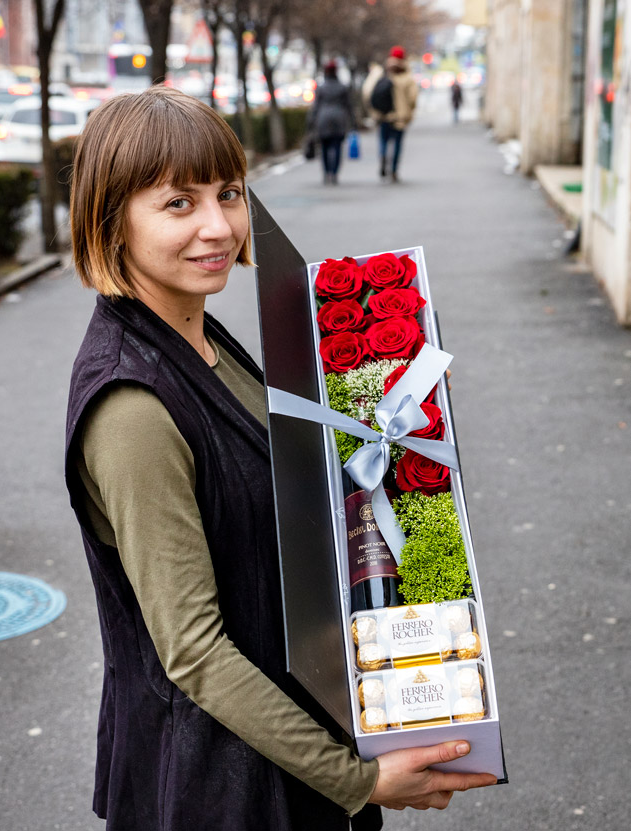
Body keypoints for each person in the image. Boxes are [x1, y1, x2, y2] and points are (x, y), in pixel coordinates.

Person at [65, 85, 497, 831]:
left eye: (229, 193)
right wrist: (356, 779)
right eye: (177, 204)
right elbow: (195, 653)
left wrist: (394, 405)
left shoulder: (200, 336)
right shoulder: (132, 408)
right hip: (219, 789)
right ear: (112, 220)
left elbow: (277, 483)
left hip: (282, 754)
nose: (218, 227)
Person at [363, 46, 419, 182]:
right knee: (397, 145)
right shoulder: (407, 76)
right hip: (400, 117)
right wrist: (409, 112)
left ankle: (383, 156)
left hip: (383, 116)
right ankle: (393, 170)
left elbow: (367, 92)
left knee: (383, 141)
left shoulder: (382, 72)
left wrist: (373, 110)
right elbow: (413, 98)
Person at [307, 59, 355, 184]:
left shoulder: (321, 88)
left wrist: (310, 121)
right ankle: (334, 173)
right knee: (337, 147)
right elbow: (349, 106)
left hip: (323, 120)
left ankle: (326, 172)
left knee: (324, 148)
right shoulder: (342, 87)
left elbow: (315, 106)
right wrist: (353, 121)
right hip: (339, 120)